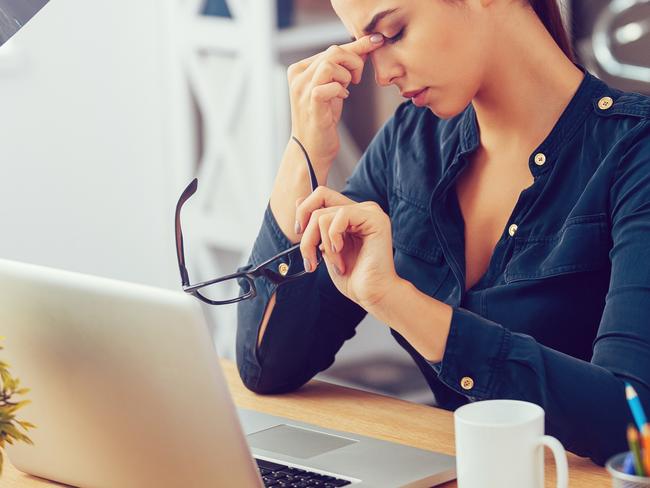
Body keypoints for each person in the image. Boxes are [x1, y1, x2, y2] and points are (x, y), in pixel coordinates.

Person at [235, 0, 650, 465]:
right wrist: (305, 148)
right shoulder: (409, 145)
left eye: (392, 33)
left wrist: (399, 302)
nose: (383, 73)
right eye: (368, 47)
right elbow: (267, 366)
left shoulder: (636, 154)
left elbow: (635, 422)